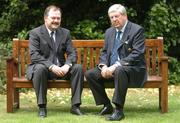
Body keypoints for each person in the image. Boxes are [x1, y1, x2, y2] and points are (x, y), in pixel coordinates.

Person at [85, 4, 147, 121]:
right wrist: (103, 66)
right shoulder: (109, 32)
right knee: (90, 74)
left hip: (133, 69)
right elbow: (104, 52)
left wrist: (115, 66)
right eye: (111, 17)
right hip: (112, 69)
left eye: (116, 16)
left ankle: (118, 110)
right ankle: (106, 105)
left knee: (120, 70)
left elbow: (137, 54)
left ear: (125, 16)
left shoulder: (136, 30)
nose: (114, 20)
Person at [26, 5, 84, 118]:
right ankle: (42, 107)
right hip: (44, 70)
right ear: (45, 18)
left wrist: (67, 65)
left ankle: (75, 106)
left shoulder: (65, 33)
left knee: (78, 68)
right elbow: (34, 55)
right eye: (53, 18)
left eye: (58, 18)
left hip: (62, 69)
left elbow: (72, 53)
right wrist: (52, 66)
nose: (56, 21)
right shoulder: (35, 33)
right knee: (39, 68)